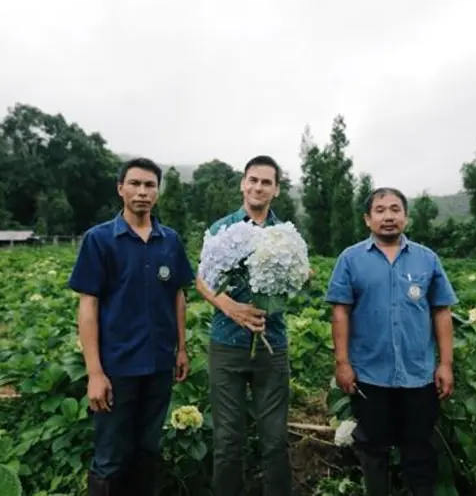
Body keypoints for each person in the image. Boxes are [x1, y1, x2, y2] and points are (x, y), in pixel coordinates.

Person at [68, 157, 195, 496]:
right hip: (117, 366)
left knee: (148, 449)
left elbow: (178, 296)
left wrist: (181, 349)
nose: (142, 192)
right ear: (120, 188)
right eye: (135, 184)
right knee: (110, 456)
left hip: (158, 363)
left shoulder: (170, 240)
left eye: (149, 185)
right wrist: (94, 372)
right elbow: (88, 307)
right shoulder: (100, 240)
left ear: (157, 191)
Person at [325, 187, 458, 496]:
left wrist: (446, 364)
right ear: (368, 219)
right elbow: (340, 311)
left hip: (418, 375)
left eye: (395, 209)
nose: (388, 216)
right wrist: (342, 362)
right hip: (370, 374)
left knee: (419, 450)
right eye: (381, 210)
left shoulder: (427, 259)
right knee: (373, 449)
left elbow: (441, 311)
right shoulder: (351, 259)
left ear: (405, 217)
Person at [195, 155, 292, 496]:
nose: (258, 187)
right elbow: (201, 278)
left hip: (272, 344)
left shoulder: (286, 235)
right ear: (242, 183)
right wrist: (228, 305)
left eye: (267, 182)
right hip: (227, 344)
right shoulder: (222, 228)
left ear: (276, 190)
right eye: (253, 179)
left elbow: (300, 277)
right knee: (228, 440)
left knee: (275, 440)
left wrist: (299, 276)